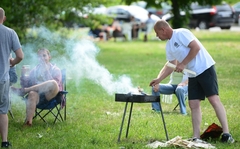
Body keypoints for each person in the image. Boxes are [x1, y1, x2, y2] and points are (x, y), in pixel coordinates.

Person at [149, 19, 234, 143]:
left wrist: (183, 64)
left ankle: (227, 134)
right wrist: (158, 79)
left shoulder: (181, 33)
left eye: (157, 33)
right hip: (192, 74)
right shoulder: (169, 46)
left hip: (205, 68)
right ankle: (196, 137)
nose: (157, 36)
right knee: (193, 104)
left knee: (213, 100)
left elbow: (196, 47)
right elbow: (171, 64)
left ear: (163, 30)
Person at [11, 48, 62, 126]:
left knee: (53, 83)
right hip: (39, 98)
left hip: (52, 96)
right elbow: (26, 85)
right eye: (39, 56)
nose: (42, 58)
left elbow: (55, 86)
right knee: (31, 93)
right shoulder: (34, 70)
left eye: (44, 55)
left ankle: (23, 91)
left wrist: (46, 71)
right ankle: (28, 122)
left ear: (49, 57)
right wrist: (23, 75)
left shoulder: (55, 69)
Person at [0, 7, 24, 148]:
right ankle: (4, 142)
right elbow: (20, 56)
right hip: (2, 79)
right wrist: (12, 63)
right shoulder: (10, 33)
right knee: (3, 110)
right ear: (4, 18)